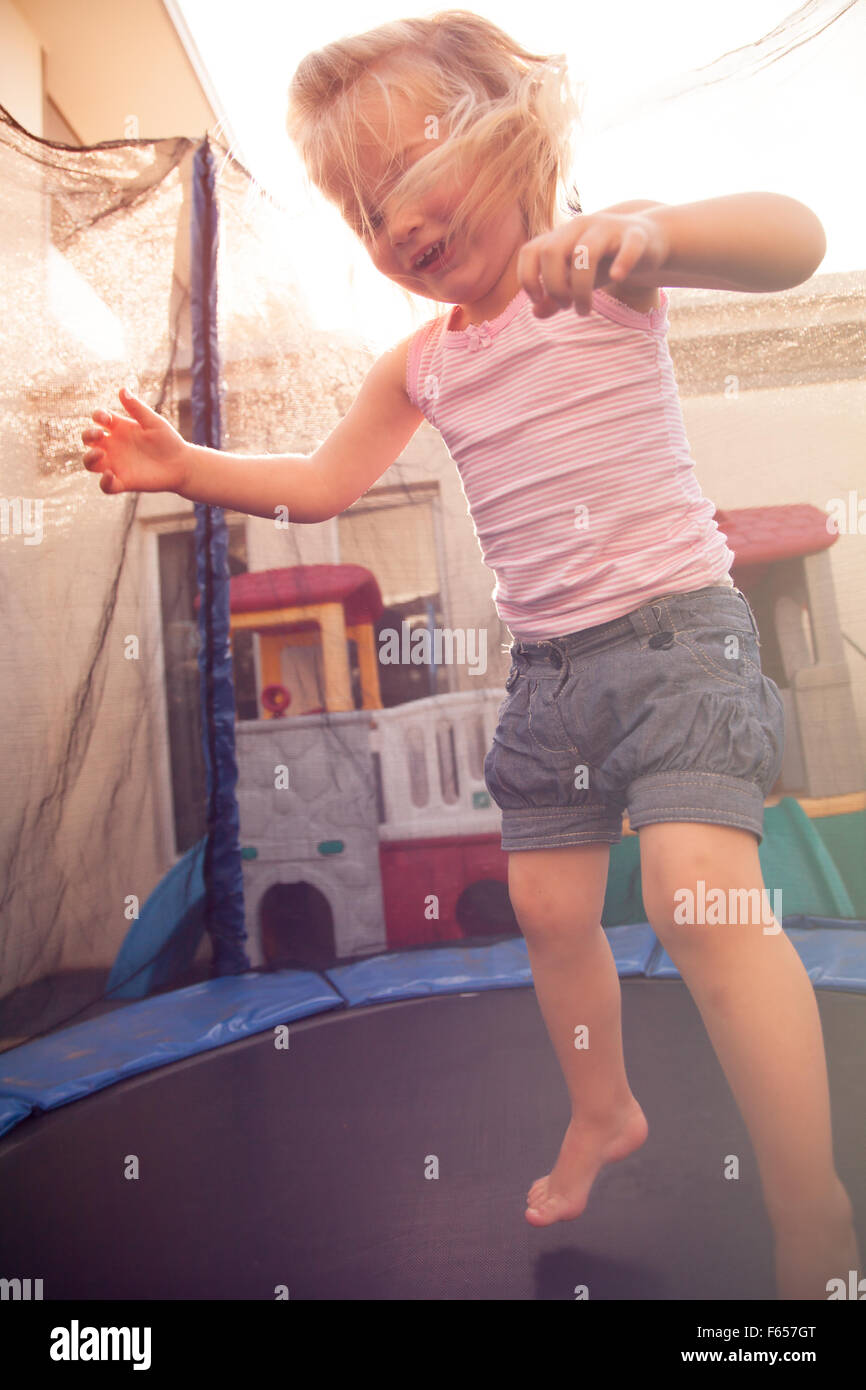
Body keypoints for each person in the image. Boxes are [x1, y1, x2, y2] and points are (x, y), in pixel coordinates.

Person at [81, 9, 859, 1300]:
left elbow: (796, 239)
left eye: (410, 166)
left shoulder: (607, 264)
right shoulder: (424, 366)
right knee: (549, 909)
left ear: (511, 132)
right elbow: (325, 483)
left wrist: (662, 232)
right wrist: (185, 467)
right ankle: (601, 1108)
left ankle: (808, 1206)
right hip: (549, 676)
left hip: (673, 642)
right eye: (364, 207)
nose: (393, 217)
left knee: (692, 899)